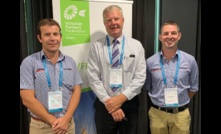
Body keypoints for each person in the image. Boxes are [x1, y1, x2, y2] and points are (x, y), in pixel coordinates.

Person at [86, 5, 146, 134]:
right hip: (104, 105)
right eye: (109, 20)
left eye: (116, 19)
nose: (113, 23)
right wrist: (111, 104)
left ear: (123, 20)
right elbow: (93, 77)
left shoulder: (136, 46)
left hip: (129, 104)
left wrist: (121, 98)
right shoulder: (96, 47)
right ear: (104, 23)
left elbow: (140, 77)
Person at [20, 18, 83, 134]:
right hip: (42, 127)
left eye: (55, 34)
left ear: (60, 37)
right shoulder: (29, 62)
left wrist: (66, 119)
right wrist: (54, 121)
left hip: (67, 126)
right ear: (40, 38)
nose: (52, 38)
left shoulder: (70, 62)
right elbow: (27, 99)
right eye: (47, 35)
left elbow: (76, 91)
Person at [144, 20, 199, 134]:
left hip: (181, 115)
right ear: (160, 37)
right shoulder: (150, 62)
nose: (170, 36)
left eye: (173, 33)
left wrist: (180, 101)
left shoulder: (190, 60)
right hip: (157, 114)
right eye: (166, 33)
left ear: (179, 36)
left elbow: (193, 88)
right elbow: (148, 87)